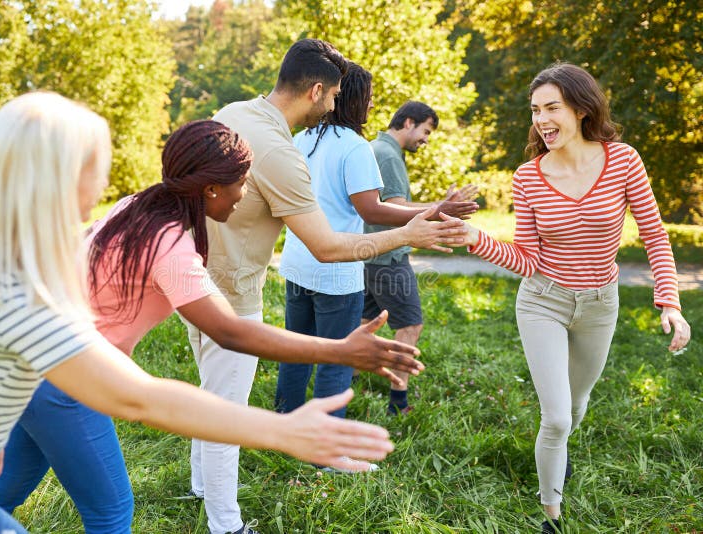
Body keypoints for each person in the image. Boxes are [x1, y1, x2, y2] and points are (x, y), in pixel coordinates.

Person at [0, 92, 403, 534]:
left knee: (7, 487)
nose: (100, 179)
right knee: (113, 512)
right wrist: (288, 424)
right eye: (94, 164)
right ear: (59, 176)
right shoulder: (28, 293)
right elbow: (144, 395)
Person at [187, 39, 470, 534]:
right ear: (316, 90)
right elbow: (328, 246)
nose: (337, 105)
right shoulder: (280, 150)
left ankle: (201, 485)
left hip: (196, 278)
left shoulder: (233, 111)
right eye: (334, 95)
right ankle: (226, 524)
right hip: (232, 296)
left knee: (213, 397)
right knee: (226, 413)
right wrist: (410, 233)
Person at [448, 63, 691, 532]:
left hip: (600, 304)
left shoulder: (623, 160)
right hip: (543, 301)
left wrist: (670, 302)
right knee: (557, 418)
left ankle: (557, 457)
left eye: (551, 107)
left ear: (580, 108)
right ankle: (551, 517)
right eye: (535, 110)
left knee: (577, 407)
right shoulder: (529, 176)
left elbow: (656, 237)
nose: (541, 119)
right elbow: (528, 260)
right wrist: (473, 237)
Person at [274, 65, 477, 430]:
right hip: (338, 271)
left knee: (296, 352)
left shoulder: (303, 138)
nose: (370, 107)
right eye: (367, 98)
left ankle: (284, 425)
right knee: (336, 360)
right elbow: (372, 209)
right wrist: (436, 212)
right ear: (350, 99)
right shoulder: (355, 146)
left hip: (298, 264)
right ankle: (327, 446)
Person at [361, 101, 478, 415]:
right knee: (410, 324)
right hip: (388, 257)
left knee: (363, 322)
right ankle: (397, 404)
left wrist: (442, 205)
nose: (426, 139)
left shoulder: (375, 148)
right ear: (408, 122)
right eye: (425, 131)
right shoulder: (387, 155)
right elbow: (398, 211)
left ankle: (347, 380)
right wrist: (444, 208)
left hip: (369, 252)